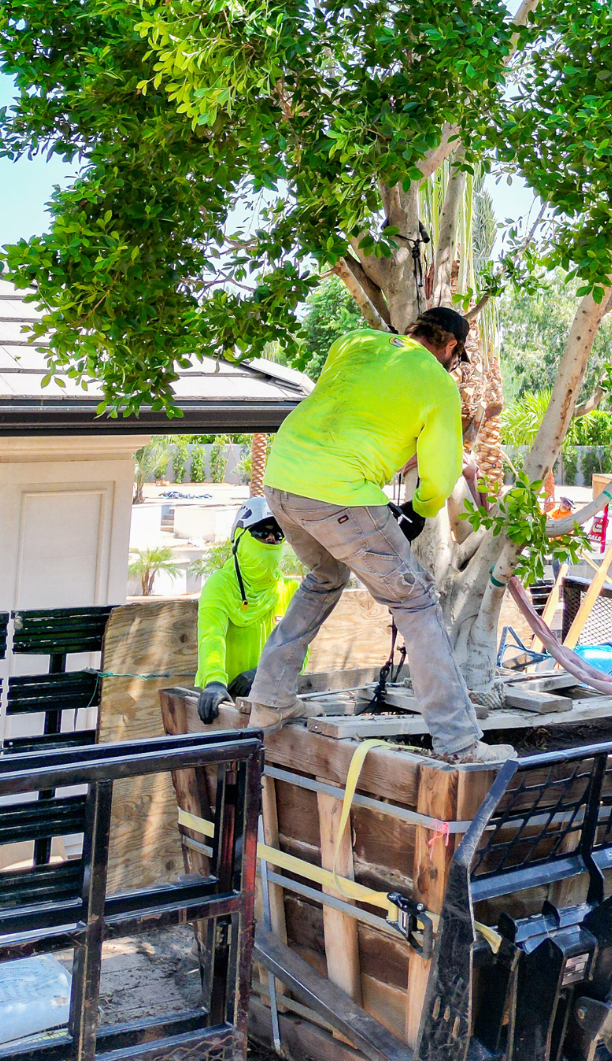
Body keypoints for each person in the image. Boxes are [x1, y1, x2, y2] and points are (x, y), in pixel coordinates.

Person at [246, 306, 513, 763]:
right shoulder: (437, 383)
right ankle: (460, 743)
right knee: (416, 602)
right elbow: (441, 473)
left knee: (325, 578)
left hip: (282, 479)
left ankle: (268, 703)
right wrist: (419, 511)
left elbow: (353, 405)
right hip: (340, 493)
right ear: (450, 347)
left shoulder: (355, 342)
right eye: (455, 356)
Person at [196, 498, 299, 723]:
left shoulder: (290, 590)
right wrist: (214, 683)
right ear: (240, 539)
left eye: (278, 534)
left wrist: (261, 675)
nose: (271, 539)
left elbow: (300, 647)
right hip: (223, 702)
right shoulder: (220, 585)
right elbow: (211, 637)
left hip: (270, 702)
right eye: (262, 533)